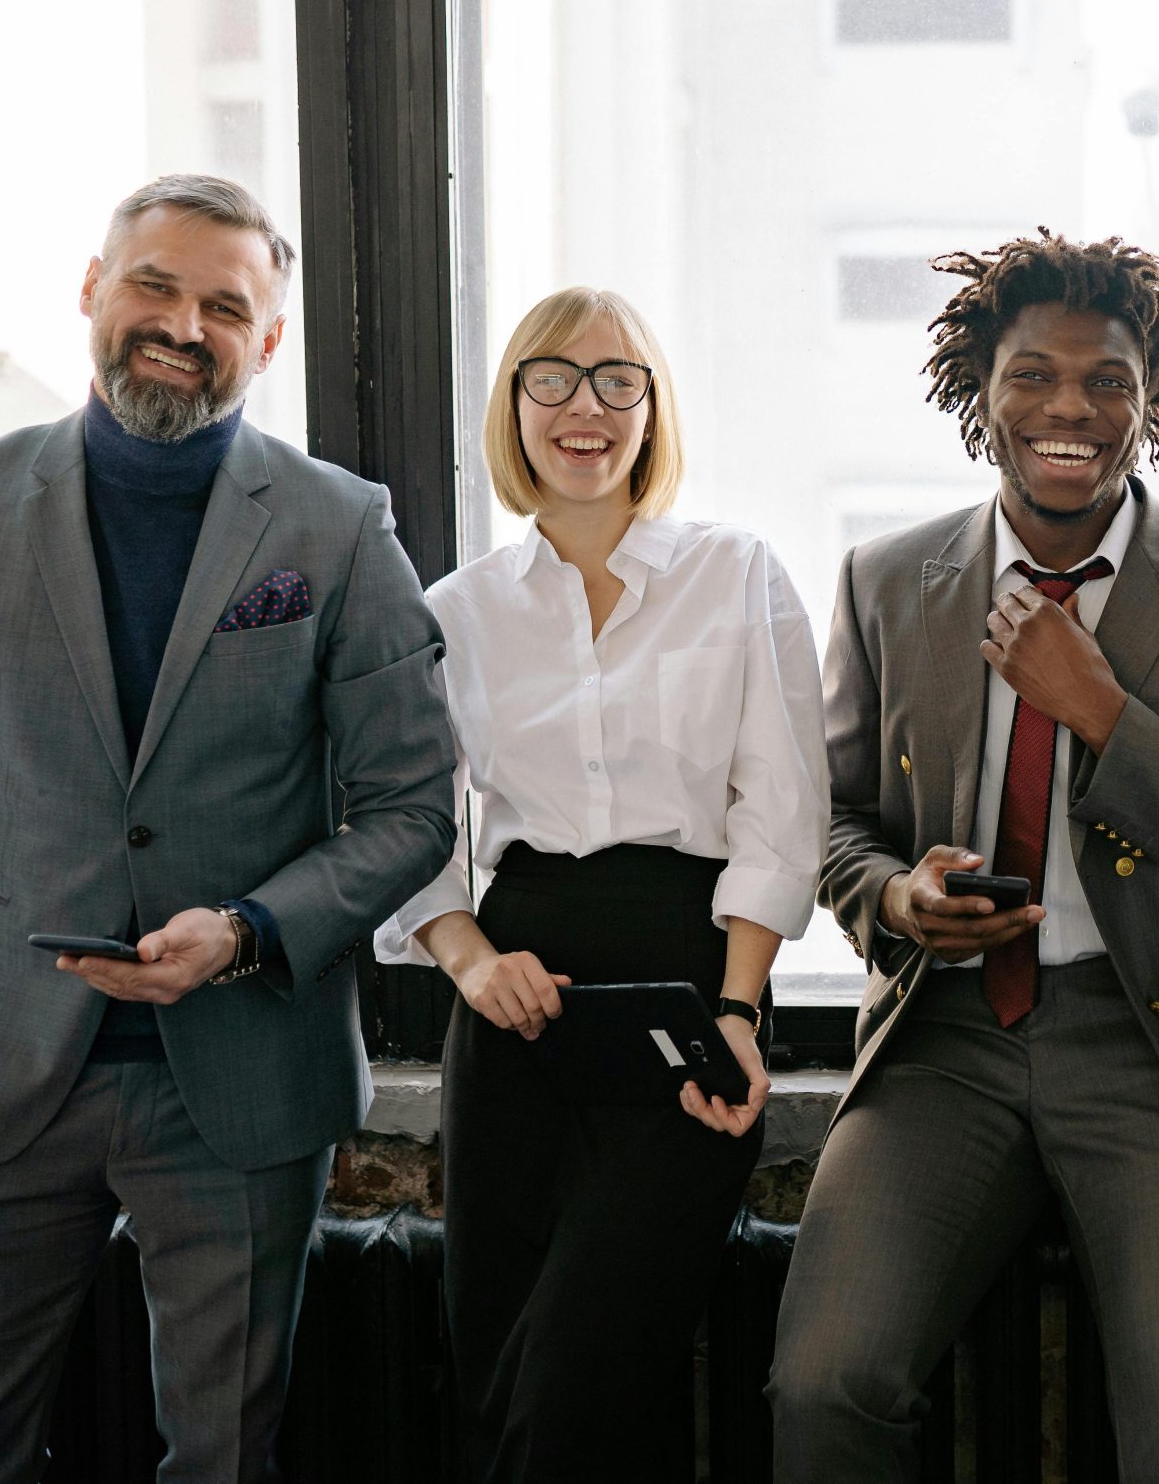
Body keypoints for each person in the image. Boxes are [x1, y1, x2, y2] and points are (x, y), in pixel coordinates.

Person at [0, 174, 457, 1482]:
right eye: (155, 286)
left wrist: (245, 932)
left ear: (268, 339)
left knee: (224, 1461)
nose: (183, 323)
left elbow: (409, 810)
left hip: (238, 1078)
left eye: (225, 305)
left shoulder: (338, 527)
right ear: (91, 290)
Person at [766, 230, 1159, 1483]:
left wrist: (1107, 716)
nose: (1068, 407)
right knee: (823, 1386)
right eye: (1032, 374)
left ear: (1154, 404)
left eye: (1107, 382)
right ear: (980, 391)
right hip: (948, 1043)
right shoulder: (884, 580)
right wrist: (895, 898)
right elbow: (830, 821)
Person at [376, 287, 828, 1482]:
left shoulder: (736, 574)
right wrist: (470, 960)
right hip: (516, 992)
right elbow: (408, 818)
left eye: (618, 379)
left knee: (586, 1370)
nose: (587, 406)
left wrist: (734, 1011)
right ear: (514, 404)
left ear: (653, 407)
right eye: (555, 378)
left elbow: (780, 808)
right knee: (499, 1365)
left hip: (687, 985)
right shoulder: (455, 610)